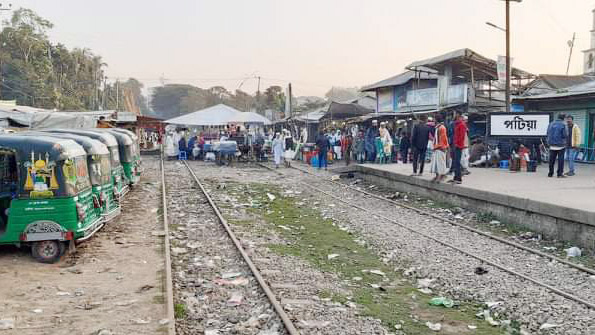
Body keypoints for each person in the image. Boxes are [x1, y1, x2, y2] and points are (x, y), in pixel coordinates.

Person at [448, 111, 468, 184]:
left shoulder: (462, 124)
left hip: (458, 146)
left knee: (457, 162)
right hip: (455, 145)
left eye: (455, 114)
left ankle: (458, 178)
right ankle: (455, 177)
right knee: (455, 162)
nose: (454, 115)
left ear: (458, 115)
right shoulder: (456, 124)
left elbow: (461, 136)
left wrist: (457, 144)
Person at [430, 114, 449, 183]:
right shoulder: (437, 127)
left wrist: (438, 146)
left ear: (437, 119)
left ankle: (442, 176)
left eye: (434, 118)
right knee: (436, 163)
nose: (433, 120)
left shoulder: (442, 128)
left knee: (440, 163)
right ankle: (437, 175)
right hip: (437, 147)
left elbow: (443, 139)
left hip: (440, 148)